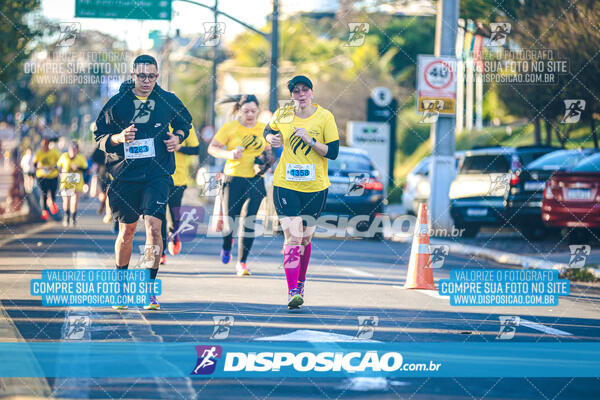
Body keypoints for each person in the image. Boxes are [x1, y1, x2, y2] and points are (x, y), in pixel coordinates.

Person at [93, 54, 192, 310]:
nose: (146, 80)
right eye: (141, 75)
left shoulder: (167, 100)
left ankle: (149, 289)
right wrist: (118, 138)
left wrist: (177, 137)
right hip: (125, 175)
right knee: (127, 232)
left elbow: (185, 123)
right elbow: (99, 135)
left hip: (157, 174)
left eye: (151, 76)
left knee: (154, 228)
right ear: (132, 75)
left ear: (157, 76)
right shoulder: (118, 104)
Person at [263, 76, 339, 309]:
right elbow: (268, 130)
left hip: (315, 187)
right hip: (286, 184)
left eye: (305, 90)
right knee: (293, 237)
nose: (301, 94)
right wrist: (271, 138)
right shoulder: (284, 113)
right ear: (292, 95)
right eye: (296, 91)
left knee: (305, 239)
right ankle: (292, 290)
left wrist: (310, 140)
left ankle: (301, 281)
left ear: (312, 93)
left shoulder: (325, 116)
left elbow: (333, 152)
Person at [208, 95, 274, 276]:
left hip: (255, 179)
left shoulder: (263, 129)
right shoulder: (230, 127)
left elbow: (268, 152)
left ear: (258, 111)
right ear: (239, 110)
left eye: (253, 111)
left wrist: (265, 163)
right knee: (231, 222)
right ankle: (226, 244)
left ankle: (242, 263)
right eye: (246, 111)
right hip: (233, 178)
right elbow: (212, 148)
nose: (250, 114)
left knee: (250, 221)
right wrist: (229, 154)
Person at [160, 124, 200, 264]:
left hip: (178, 179)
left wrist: (179, 148)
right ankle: (161, 252)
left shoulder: (185, 125)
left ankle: (174, 233)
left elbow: (196, 149)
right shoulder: (155, 119)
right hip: (157, 178)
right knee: (158, 216)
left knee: (173, 215)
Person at [57, 141, 88, 227]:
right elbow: (58, 167)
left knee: (74, 201)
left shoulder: (80, 158)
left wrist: (78, 167)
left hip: (76, 182)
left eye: (75, 149)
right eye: (72, 149)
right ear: (69, 149)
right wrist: (62, 171)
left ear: (77, 150)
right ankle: (66, 216)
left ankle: (73, 218)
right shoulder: (64, 156)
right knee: (66, 200)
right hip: (66, 182)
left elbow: (86, 169)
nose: (73, 151)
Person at [34, 138, 61, 220]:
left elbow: (60, 162)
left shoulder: (54, 152)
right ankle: (44, 211)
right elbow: (34, 164)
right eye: (43, 146)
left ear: (48, 145)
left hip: (53, 176)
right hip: (42, 176)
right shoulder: (38, 153)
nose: (44, 147)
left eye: (45, 145)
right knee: (44, 193)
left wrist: (53, 167)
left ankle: (52, 203)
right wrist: (37, 166)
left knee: (53, 193)